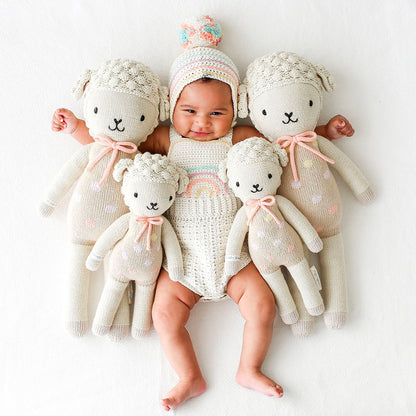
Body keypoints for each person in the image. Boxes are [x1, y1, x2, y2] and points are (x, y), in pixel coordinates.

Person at [50, 15, 354, 412]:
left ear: (237, 107)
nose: (201, 123)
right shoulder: (164, 140)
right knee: (164, 316)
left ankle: (249, 367)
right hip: (182, 263)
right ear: (169, 105)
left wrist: (327, 131)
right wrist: (76, 128)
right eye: (189, 110)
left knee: (263, 307)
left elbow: (287, 138)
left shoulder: (241, 138)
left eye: (217, 113)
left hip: (238, 257)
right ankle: (188, 376)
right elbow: (116, 146)